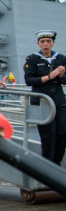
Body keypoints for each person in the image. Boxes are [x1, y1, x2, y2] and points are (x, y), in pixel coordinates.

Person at [23, 30, 66, 165]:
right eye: (43, 42)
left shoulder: (61, 58)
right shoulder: (33, 59)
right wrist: (50, 76)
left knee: (63, 131)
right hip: (41, 100)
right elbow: (29, 80)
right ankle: (47, 165)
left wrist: (61, 76)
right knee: (48, 135)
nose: (46, 44)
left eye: (49, 41)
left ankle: (56, 163)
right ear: (38, 43)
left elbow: (65, 81)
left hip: (58, 99)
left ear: (53, 43)